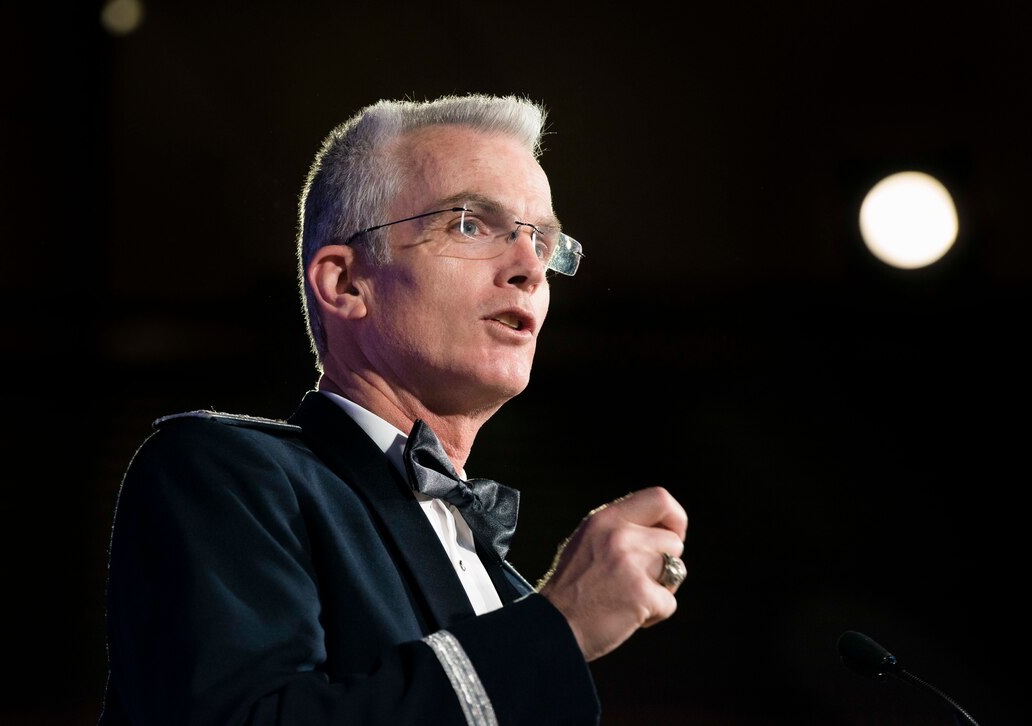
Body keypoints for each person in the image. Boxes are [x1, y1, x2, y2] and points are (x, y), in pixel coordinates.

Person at [98, 92, 689, 725]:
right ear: (347, 283)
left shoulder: (510, 594)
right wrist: (561, 623)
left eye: (543, 241)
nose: (529, 268)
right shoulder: (223, 473)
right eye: (470, 224)